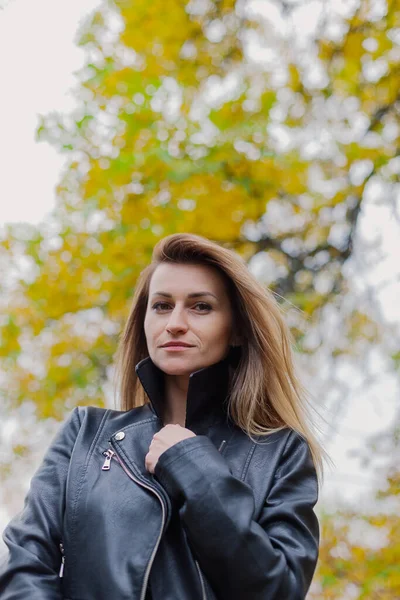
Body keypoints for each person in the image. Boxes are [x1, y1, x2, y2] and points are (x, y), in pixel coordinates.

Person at [0, 232, 327, 599]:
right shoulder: (85, 435)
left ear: (235, 329)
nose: (175, 322)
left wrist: (194, 468)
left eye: (200, 306)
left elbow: (276, 590)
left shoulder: (280, 452)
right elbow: (26, 566)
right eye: (161, 305)